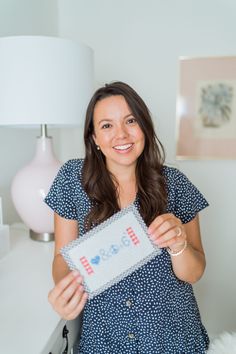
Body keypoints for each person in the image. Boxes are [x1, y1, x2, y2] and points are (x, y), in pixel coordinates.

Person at [45, 81, 210, 353]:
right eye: (107, 125)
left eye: (130, 121)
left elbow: (194, 272)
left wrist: (179, 244)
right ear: (94, 138)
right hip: (105, 338)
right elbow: (62, 257)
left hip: (173, 337)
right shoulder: (71, 179)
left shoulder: (176, 183)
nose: (121, 134)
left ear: (144, 127)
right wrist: (67, 290)